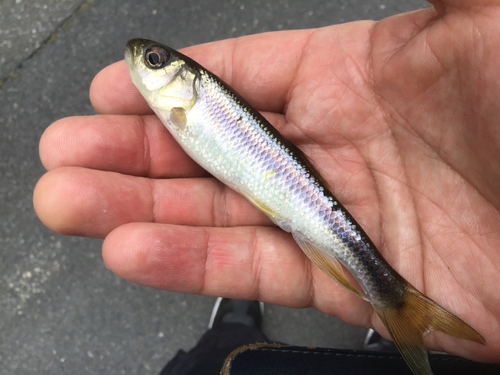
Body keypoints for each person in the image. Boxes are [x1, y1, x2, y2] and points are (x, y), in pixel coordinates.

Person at [34, 0, 500, 371]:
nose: (144, 61)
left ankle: (383, 313)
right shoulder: (182, 106)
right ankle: (387, 335)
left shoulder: (190, 103)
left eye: (155, 61)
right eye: (155, 60)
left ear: (184, 79)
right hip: (296, 202)